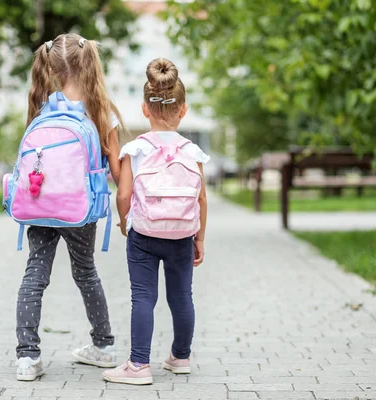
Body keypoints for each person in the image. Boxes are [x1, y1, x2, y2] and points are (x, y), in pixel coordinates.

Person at [15, 33, 124, 381]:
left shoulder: (41, 105)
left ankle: (27, 357)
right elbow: (118, 172)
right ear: (89, 61)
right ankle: (103, 346)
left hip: (41, 203)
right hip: (80, 209)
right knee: (86, 272)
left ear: (51, 66)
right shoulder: (101, 110)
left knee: (35, 275)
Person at [103, 58, 209, 385]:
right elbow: (201, 199)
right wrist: (199, 238)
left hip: (144, 235)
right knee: (181, 298)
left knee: (143, 297)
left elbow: (123, 196)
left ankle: (138, 365)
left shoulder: (136, 149)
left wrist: (125, 222)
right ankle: (180, 357)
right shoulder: (192, 151)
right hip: (181, 235)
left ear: (145, 109)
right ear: (184, 110)